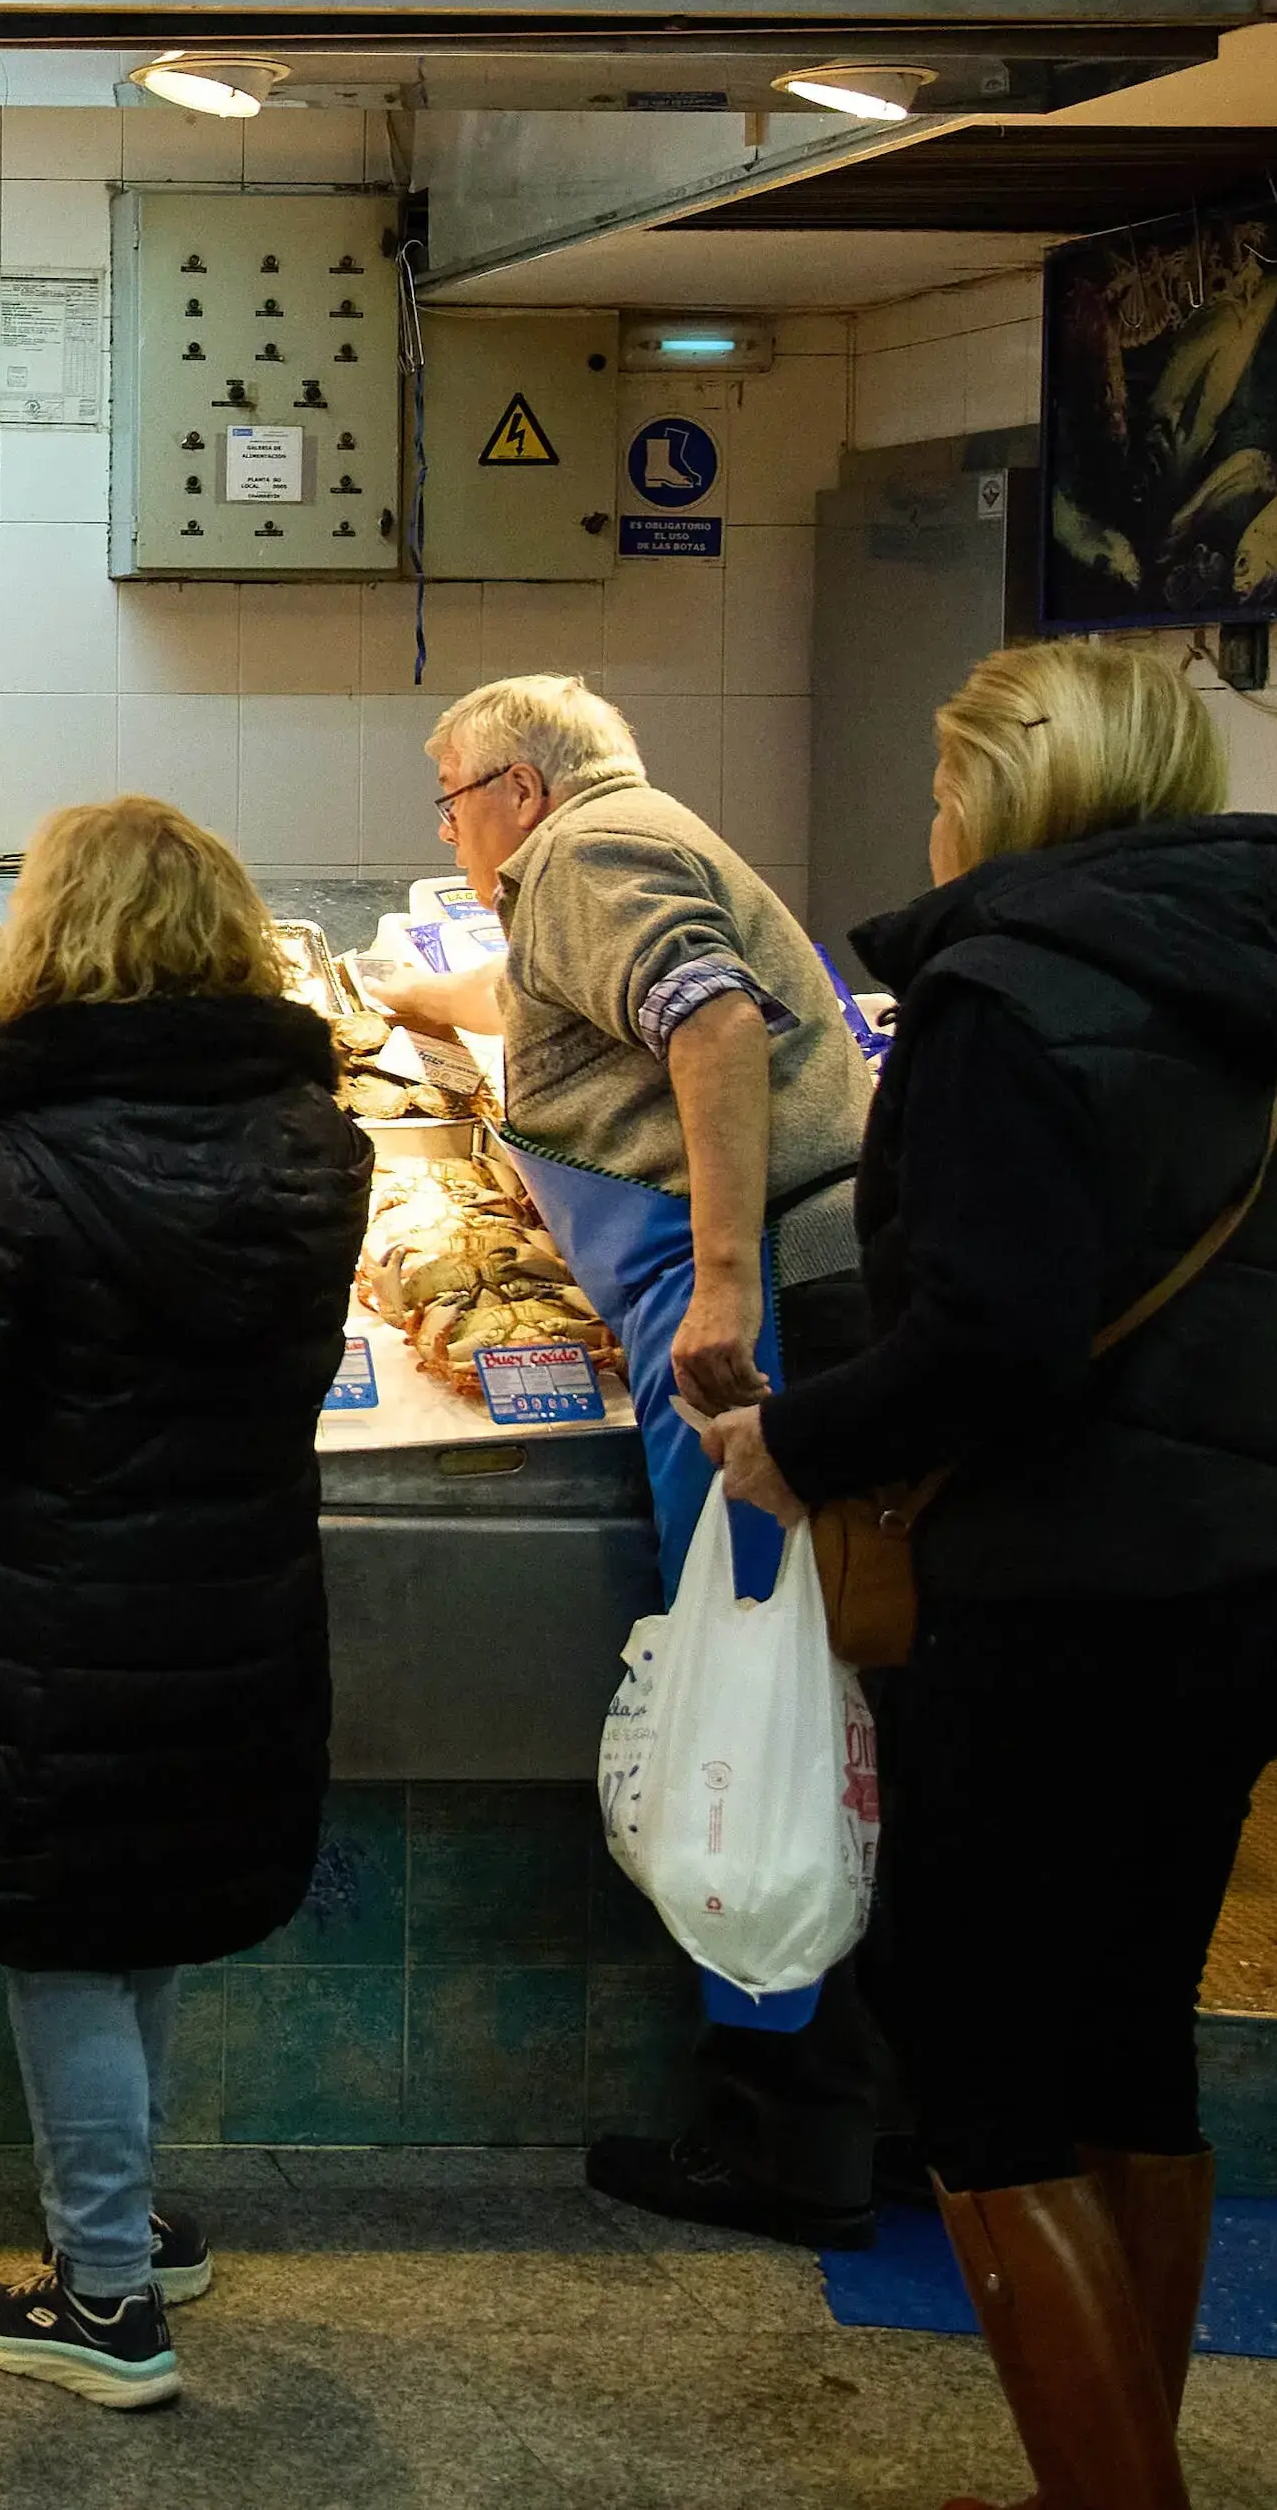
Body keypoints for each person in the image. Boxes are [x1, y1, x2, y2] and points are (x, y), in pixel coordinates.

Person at [684, 643, 1277, 2510]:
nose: (929, 817)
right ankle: (1110, 2479)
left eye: (947, 781)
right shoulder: (1250, 992)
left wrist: (805, 1438)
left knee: (978, 2042)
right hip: (1252, 1585)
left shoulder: (1002, 994)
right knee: (1126, 2026)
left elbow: (997, 1340)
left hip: (1052, 1600)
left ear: (1004, 797)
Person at [0, 797, 369, 2412]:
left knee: (65, 1929)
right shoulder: (311, 1143)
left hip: (49, 1621)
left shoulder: (11, 1155)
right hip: (239, 1602)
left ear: (48, 935)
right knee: (151, 1911)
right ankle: (126, 2219)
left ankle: (110, 2295)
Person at [359, 671, 893, 2247]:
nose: (449, 830)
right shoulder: (613, 851)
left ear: (514, 788)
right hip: (767, 1295)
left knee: (765, 1688)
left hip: (754, 1312)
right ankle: (842, 2097)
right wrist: (411, 1002)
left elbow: (710, 1020)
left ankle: (788, 2136)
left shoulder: (589, 852)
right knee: (805, 1679)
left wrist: (723, 1281)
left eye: (448, 798)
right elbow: (558, 1008)